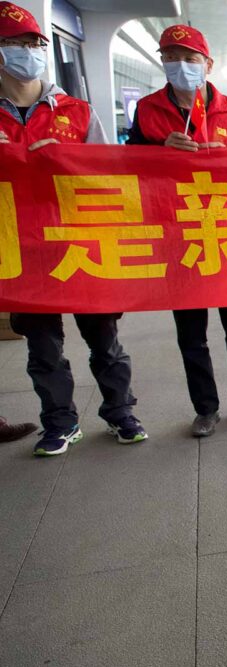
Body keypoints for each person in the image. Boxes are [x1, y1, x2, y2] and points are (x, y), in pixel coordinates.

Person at [1, 1, 146, 456]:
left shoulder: (78, 113)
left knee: (105, 341)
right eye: (15, 44)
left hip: (81, 244)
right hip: (23, 253)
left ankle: (120, 411)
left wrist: (63, 161)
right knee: (43, 349)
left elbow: (108, 179)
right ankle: (59, 422)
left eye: (33, 44)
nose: (28, 52)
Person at [127, 24, 227, 437]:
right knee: (191, 332)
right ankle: (205, 409)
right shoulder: (147, 110)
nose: (181, 66)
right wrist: (161, 152)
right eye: (171, 58)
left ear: (208, 64)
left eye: (190, 59)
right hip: (178, 234)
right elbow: (127, 164)